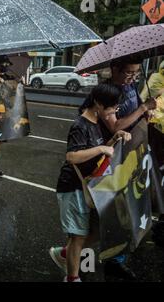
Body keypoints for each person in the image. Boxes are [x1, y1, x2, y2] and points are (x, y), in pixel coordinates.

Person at [78, 59, 157, 281]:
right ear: (114, 70)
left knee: (124, 212)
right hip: (106, 161)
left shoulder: (130, 87)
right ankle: (79, 262)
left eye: (135, 74)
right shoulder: (105, 94)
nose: (132, 78)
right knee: (98, 217)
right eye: (128, 74)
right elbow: (115, 125)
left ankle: (114, 262)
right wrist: (142, 109)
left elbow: (135, 111)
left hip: (129, 159)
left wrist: (145, 113)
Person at [49, 84, 132, 282]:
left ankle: (64, 254)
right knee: (78, 236)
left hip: (89, 185)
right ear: (98, 103)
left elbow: (97, 151)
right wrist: (102, 148)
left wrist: (114, 139)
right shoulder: (80, 124)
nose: (114, 111)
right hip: (73, 186)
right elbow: (72, 156)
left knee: (94, 232)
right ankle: (72, 277)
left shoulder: (95, 122)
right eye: (112, 107)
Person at [140, 60, 164, 171]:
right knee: (155, 147)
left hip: (159, 119)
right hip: (155, 118)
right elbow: (146, 95)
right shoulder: (156, 77)